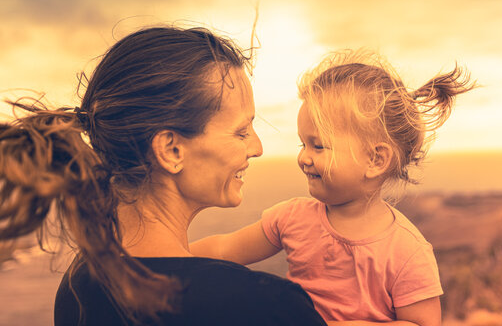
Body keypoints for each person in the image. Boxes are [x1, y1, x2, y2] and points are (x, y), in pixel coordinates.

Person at [0, 26, 328, 325]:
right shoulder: (264, 305)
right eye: (241, 132)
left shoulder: (79, 285)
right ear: (171, 150)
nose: (257, 148)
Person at [191, 52, 476, 325]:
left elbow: (421, 323)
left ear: (376, 159)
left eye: (318, 145)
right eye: (303, 144)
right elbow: (226, 248)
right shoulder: (292, 219)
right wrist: (158, 256)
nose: (303, 157)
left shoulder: (408, 252)